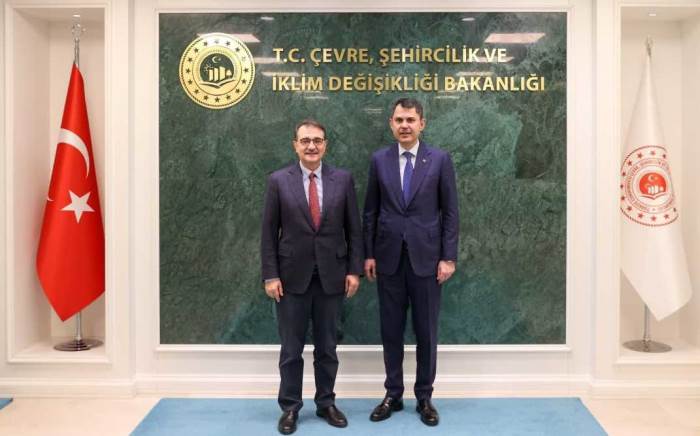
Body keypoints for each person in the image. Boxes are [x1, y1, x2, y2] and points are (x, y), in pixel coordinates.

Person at [261, 119, 363, 435]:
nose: (311, 146)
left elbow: (354, 230)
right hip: (291, 279)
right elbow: (268, 233)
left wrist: (354, 270)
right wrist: (271, 275)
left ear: (325, 144)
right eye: (305, 140)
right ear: (295, 145)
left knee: (327, 347)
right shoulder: (279, 181)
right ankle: (290, 407)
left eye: (317, 140)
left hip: (332, 277)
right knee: (291, 349)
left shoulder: (342, 180)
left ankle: (326, 403)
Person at [363, 98, 459, 427]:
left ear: (422, 124)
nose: (405, 125)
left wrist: (448, 257)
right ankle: (393, 394)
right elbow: (370, 211)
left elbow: (450, 212)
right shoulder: (379, 160)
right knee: (390, 331)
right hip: (388, 260)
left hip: (428, 261)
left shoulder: (440, 160)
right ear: (391, 123)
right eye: (399, 120)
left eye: (410, 120)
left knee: (426, 332)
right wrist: (369, 253)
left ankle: (424, 397)